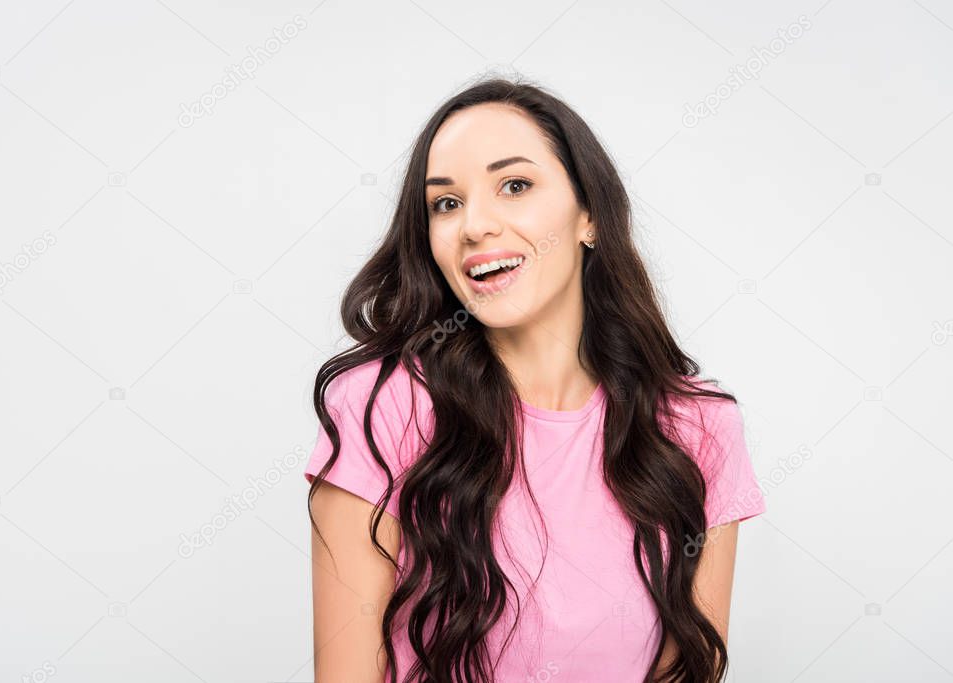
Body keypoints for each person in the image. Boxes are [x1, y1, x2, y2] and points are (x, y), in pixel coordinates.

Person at [304, 77, 765, 683]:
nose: (474, 226)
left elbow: (689, 672)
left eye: (514, 186)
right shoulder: (379, 407)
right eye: (445, 202)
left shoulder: (698, 427)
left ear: (590, 217)